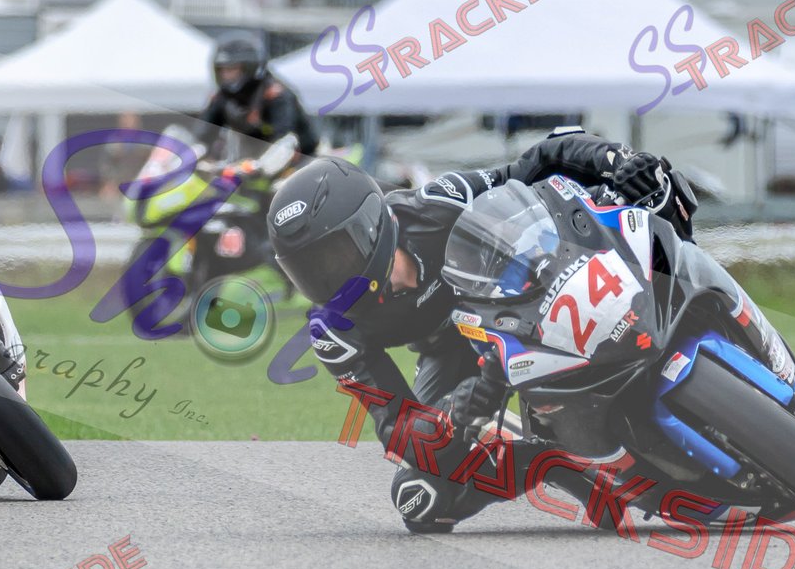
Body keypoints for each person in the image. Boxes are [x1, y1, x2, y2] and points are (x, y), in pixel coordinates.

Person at [265, 127, 696, 532]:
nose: (327, 281)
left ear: (370, 224)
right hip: (454, 353)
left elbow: (540, 160)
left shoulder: (437, 203)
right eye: (309, 272)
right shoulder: (333, 331)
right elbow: (397, 427)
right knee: (421, 498)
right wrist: (457, 412)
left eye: (333, 258)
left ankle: (684, 302)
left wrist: (617, 161)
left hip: (520, 302)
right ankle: (556, 459)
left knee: (648, 195)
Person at [197, 32, 320, 179]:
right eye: (222, 70)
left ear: (249, 68)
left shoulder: (274, 93)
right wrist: (192, 154)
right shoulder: (222, 97)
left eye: (232, 69)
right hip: (244, 165)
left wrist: (258, 166)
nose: (226, 75)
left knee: (287, 145)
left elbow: (285, 138)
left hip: (293, 166)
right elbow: (203, 133)